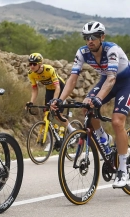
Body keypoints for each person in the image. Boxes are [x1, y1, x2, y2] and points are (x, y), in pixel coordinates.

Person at [50, 21, 130, 188]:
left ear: (102, 37)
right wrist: (60, 100)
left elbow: (112, 78)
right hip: (106, 81)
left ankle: (123, 169)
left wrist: (99, 99)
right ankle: (103, 139)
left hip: (124, 82)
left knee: (117, 121)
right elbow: (73, 79)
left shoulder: (112, 50)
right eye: (86, 37)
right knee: (87, 106)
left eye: (93, 37)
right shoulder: (83, 52)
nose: (90, 41)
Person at [25, 53, 76, 150]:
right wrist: (31, 102)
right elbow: (35, 89)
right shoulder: (31, 74)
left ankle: (72, 130)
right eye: (30, 64)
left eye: (34, 64)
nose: (31, 66)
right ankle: (52, 140)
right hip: (49, 90)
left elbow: (57, 87)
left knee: (56, 113)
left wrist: (55, 101)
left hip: (60, 88)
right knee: (46, 114)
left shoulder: (49, 69)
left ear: (40, 64)